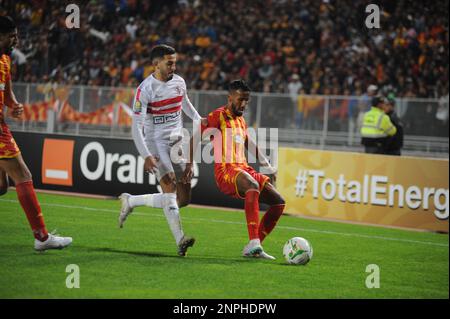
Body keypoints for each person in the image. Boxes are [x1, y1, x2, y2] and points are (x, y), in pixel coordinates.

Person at [118, 44, 206, 257]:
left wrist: (198, 118)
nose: (173, 66)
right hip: (155, 142)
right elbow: (135, 127)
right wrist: (146, 154)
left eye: (175, 62)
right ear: (155, 63)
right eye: (169, 62)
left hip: (176, 140)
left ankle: (131, 201)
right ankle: (180, 240)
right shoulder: (145, 89)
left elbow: (184, 103)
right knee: (170, 186)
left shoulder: (179, 82)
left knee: (183, 198)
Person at [187, 80, 285, 260]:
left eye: (247, 101)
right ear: (230, 97)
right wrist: (189, 163)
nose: (244, 104)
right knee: (252, 184)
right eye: (240, 100)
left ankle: (254, 247)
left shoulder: (241, 120)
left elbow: (249, 142)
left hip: (243, 168)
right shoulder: (218, 116)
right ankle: (254, 241)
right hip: (225, 171)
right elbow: (195, 136)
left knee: (279, 202)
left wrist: (267, 166)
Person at [0, 16, 72, 251]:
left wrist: (13, 104)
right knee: (23, 174)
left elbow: (6, 91)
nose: (16, 40)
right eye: (12, 36)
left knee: (2, 186)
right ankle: (42, 238)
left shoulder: (5, 60)